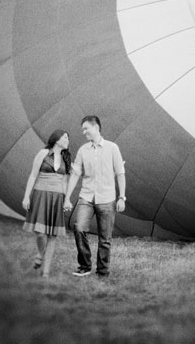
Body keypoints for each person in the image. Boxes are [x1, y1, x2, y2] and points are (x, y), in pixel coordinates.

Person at [63, 115, 126, 278]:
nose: (84, 132)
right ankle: (85, 266)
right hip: (87, 197)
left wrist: (122, 197)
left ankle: (102, 271)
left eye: (86, 128)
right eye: (83, 129)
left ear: (96, 127)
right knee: (79, 227)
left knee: (105, 238)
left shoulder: (113, 148)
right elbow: (76, 174)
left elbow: (120, 173)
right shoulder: (83, 150)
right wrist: (67, 197)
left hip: (107, 199)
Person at [22, 129, 71, 278]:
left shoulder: (66, 159)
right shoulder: (43, 154)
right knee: (40, 233)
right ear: (57, 140)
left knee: (53, 236)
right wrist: (26, 197)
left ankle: (46, 272)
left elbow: (65, 182)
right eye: (65, 137)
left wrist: (65, 200)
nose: (68, 140)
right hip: (41, 194)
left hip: (57, 198)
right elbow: (33, 175)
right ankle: (40, 252)